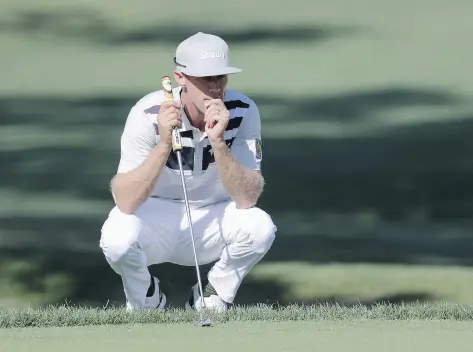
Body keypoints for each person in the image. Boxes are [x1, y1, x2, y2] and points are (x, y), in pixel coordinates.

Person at [99, 32, 277, 313]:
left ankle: (213, 295)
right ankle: (146, 301)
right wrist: (164, 143)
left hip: (214, 216)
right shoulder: (147, 112)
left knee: (260, 228)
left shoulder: (243, 110)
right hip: (154, 217)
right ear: (180, 78)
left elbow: (247, 198)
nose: (216, 87)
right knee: (116, 238)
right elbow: (125, 200)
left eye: (221, 77)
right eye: (206, 79)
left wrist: (218, 141)